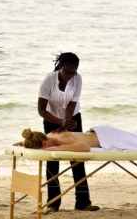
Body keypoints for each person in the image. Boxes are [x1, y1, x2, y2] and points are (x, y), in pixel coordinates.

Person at [37, 52, 99, 212]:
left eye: (74, 71)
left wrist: (66, 123)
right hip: (50, 119)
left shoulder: (77, 78)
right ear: (61, 67)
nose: (71, 75)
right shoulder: (49, 80)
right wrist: (59, 123)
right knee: (52, 160)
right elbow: (41, 110)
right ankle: (53, 203)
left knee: (77, 159)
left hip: (72, 118)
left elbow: (71, 105)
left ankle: (83, 202)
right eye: (68, 72)